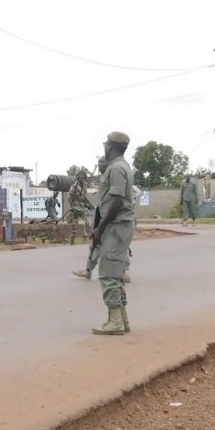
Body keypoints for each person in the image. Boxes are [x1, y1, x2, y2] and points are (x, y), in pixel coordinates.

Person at [90, 132, 135, 336]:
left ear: (112, 147)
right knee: (115, 274)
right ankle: (121, 320)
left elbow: (116, 201)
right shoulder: (121, 166)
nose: (104, 148)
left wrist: (100, 228)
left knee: (108, 274)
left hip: (117, 226)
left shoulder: (116, 168)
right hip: (118, 226)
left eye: (106, 145)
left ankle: (115, 321)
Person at [72, 157, 132, 283]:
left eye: (102, 163)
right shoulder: (103, 178)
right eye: (98, 163)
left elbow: (119, 199)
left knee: (119, 244)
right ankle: (88, 270)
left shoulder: (116, 174)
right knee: (95, 243)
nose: (99, 165)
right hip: (102, 215)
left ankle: (124, 271)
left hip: (113, 218)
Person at [66, 171, 93, 244]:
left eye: (83, 177)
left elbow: (84, 197)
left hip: (82, 207)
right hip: (75, 207)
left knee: (88, 221)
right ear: (78, 178)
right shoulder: (74, 187)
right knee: (74, 225)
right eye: (81, 177)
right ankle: (72, 241)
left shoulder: (84, 186)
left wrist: (89, 204)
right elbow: (69, 198)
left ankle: (85, 238)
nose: (82, 179)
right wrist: (72, 207)